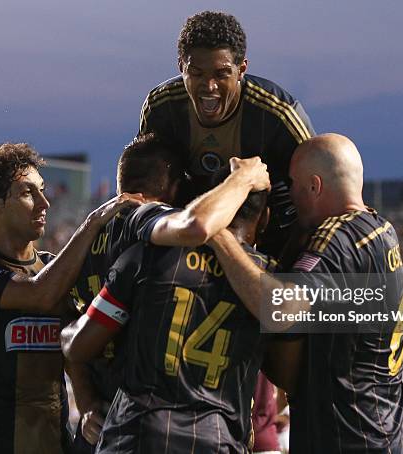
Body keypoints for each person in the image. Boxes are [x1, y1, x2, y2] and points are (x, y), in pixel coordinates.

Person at [208, 134, 403, 453]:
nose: (290, 195)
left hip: (349, 440)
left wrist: (218, 235)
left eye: (294, 184)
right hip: (391, 435)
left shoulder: (336, 237)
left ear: (314, 186)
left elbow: (279, 310)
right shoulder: (380, 230)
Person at [68, 134, 271, 448]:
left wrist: (83, 392)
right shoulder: (271, 275)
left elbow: (78, 342)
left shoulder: (139, 253)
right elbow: (288, 367)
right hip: (217, 438)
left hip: (131, 430)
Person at [0, 143, 142, 454]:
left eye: (42, 190)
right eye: (27, 193)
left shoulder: (53, 268)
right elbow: (38, 293)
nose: (44, 203)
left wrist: (88, 405)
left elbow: (71, 346)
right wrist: (92, 223)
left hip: (54, 442)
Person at [139, 10, 316, 255]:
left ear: (241, 69)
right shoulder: (162, 106)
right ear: (181, 67)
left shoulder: (279, 114)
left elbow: (315, 191)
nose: (209, 86)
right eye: (197, 73)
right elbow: (144, 184)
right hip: (193, 218)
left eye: (222, 74)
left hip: (269, 225)